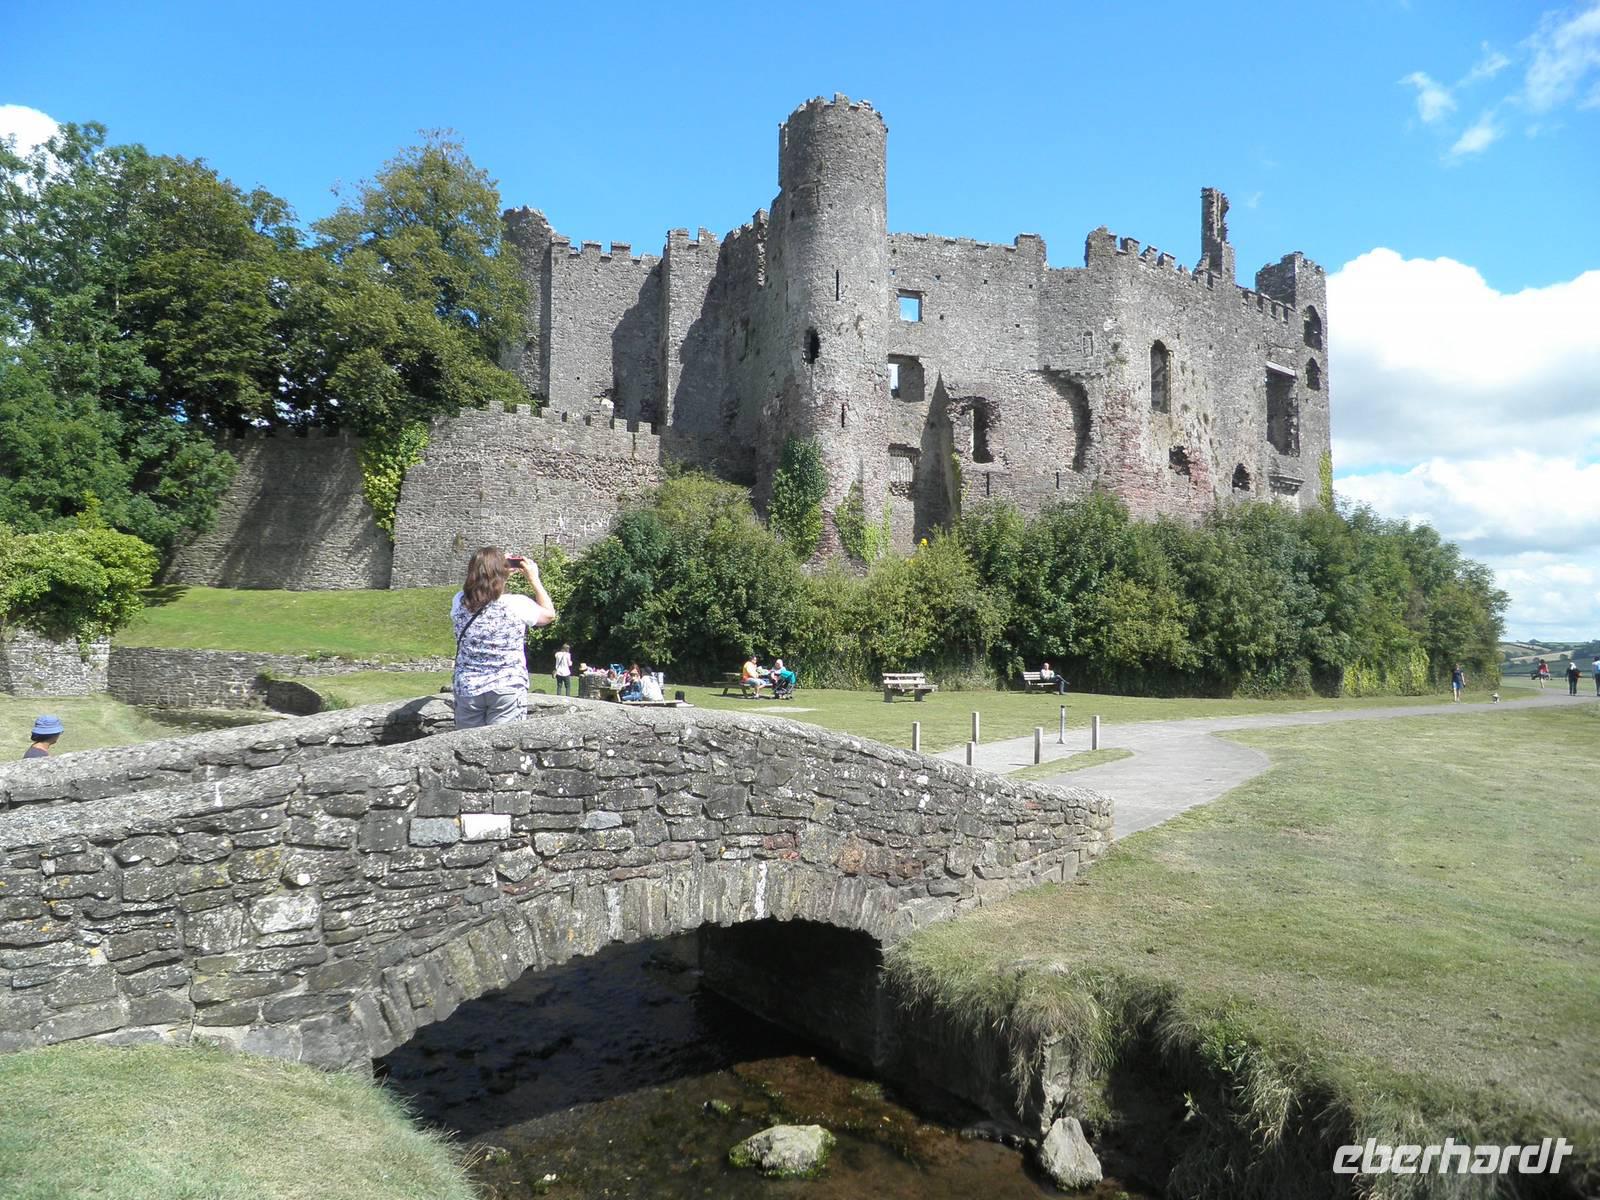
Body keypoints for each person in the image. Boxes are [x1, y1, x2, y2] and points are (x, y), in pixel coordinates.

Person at [451, 547, 558, 728]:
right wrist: (534, 579)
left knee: (468, 749)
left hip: (468, 688)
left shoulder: (460, 601)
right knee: (500, 749)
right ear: (502, 572)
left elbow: (478, 587)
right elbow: (549, 615)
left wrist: (492, 567)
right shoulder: (516, 604)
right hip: (506, 686)